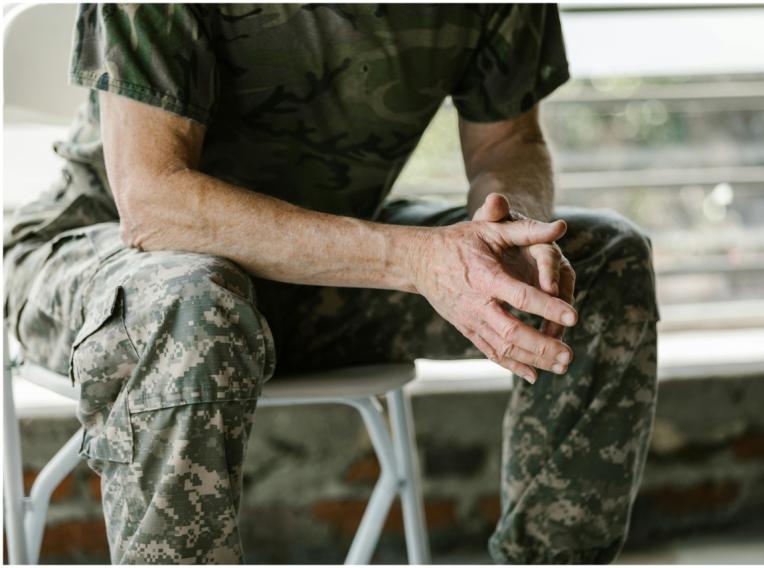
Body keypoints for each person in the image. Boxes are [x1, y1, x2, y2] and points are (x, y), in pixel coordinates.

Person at [3, 3, 659, 564]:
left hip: (323, 266)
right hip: (111, 256)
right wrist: (417, 262)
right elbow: (154, 203)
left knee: (604, 261)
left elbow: (506, 142)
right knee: (194, 301)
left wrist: (509, 229)